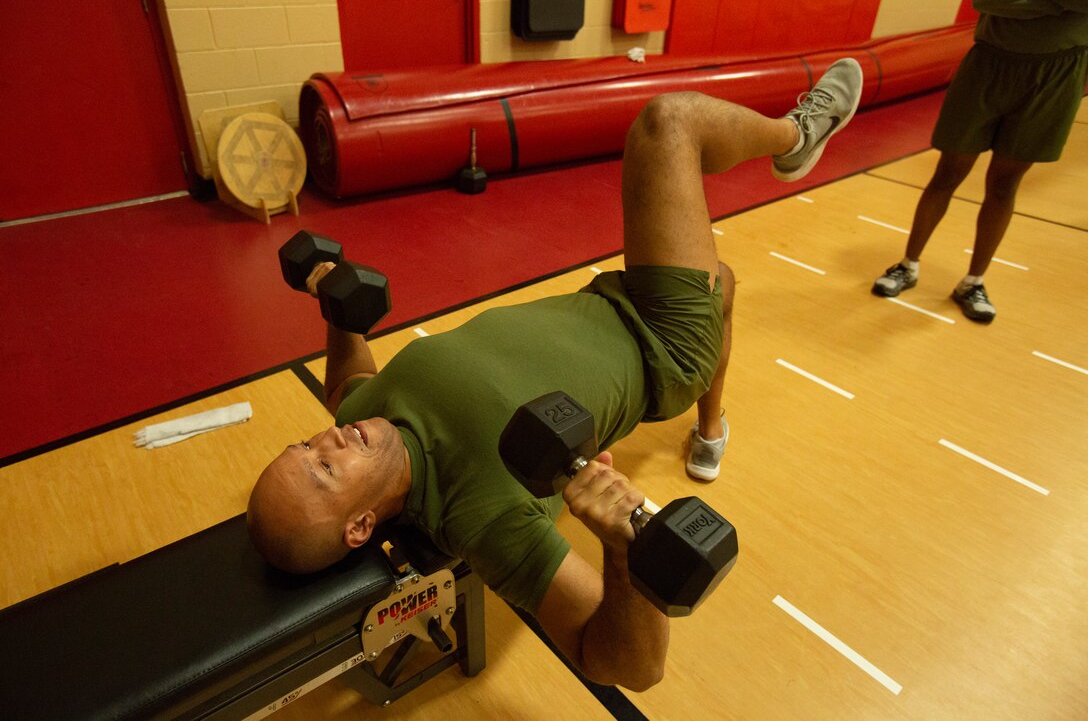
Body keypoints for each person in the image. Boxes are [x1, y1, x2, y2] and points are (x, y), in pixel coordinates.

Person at [247, 59, 863, 690]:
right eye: (323, 469)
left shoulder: (360, 421)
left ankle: (712, 431)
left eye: (303, 446)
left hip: (603, 299)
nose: (324, 441)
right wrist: (622, 552)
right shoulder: (480, 515)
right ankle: (797, 136)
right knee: (668, 123)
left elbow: (343, 384)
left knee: (722, 284)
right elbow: (631, 668)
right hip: (663, 342)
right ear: (359, 526)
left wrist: (337, 307)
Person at [872, 0, 1088, 323]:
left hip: (1058, 72)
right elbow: (989, 0)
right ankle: (907, 265)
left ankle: (973, 282)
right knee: (947, 173)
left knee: (1004, 185)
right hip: (989, 63)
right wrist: (1061, 2)